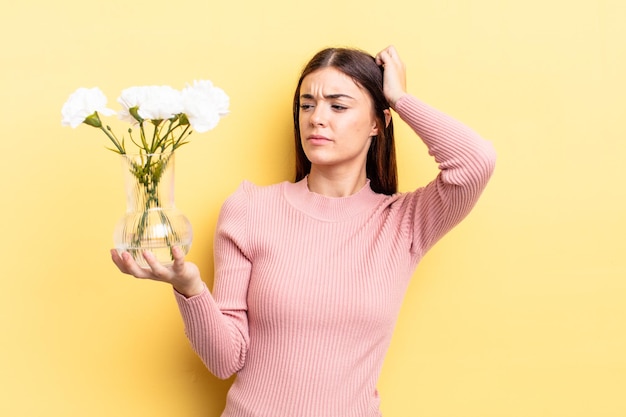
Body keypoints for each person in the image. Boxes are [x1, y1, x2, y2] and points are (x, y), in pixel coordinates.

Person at [112, 45, 496, 417]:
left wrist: (398, 97)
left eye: (338, 105)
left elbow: (476, 161)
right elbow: (224, 359)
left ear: (378, 122)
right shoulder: (250, 209)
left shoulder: (403, 222)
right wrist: (190, 288)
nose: (316, 118)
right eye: (307, 105)